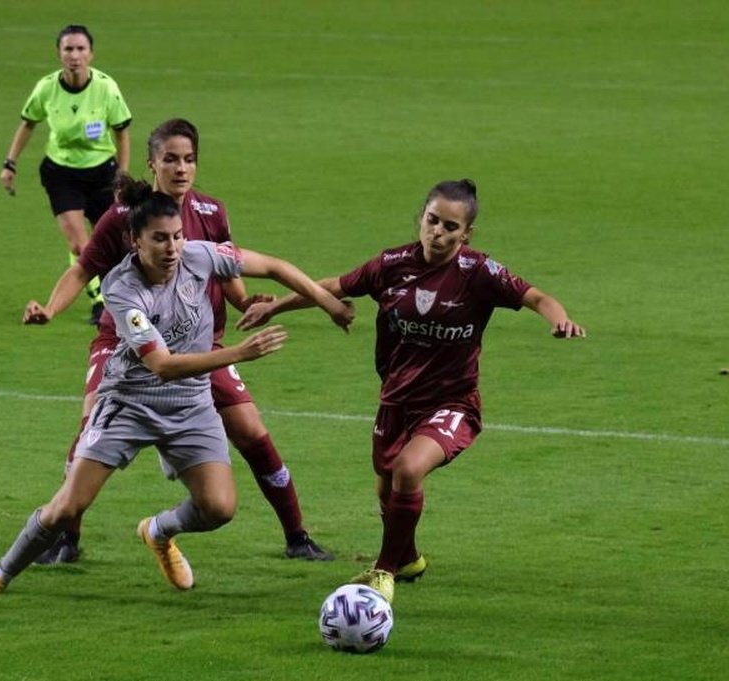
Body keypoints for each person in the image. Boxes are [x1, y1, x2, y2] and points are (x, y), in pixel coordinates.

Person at [0, 182, 353, 599]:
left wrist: (327, 303)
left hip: (191, 406)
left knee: (219, 508)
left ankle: (159, 531)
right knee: (68, 506)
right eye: (160, 238)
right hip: (130, 402)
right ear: (134, 240)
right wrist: (239, 352)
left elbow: (273, 265)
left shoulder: (200, 257)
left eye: (178, 236)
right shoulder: (121, 288)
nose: (173, 248)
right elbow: (162, 366)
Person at [237, 179, 586, 603]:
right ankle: (409, 559)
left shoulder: (479, 273)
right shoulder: (392, 264)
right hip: (396, 401)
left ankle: (382, 572)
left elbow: (536, 296)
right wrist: (275, 306)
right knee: (386, 489)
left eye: (450, 227)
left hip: (452, 403)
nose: (437, 232)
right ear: (421, 218)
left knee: (408, 470)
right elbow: (334, 286)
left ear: (466, 234)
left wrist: (559, 318)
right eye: (432, 220)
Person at [23, 119, 337, 564]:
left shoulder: (211, 212)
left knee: (252, 432)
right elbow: (82, 269)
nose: (181, 168)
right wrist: (51, 310)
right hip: (127, 347)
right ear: (151, 163)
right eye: (170, 159)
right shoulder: (123, 218)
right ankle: (65, 536)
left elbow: (227, 271)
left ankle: (297, 536)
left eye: (189, 159)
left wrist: (247, 300)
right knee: (90, 427)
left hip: (201, 345)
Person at [0, 24, 132, 325]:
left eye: (80, 49)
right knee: (79, 244)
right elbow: (28, 123)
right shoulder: (46, 88)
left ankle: (124, 296)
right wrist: (10, 163)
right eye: (68, 49)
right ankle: (100, 302)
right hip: (62, 173)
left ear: (91, 53)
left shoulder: (106, 87)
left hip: (102, 173)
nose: (74, 55)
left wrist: (122, 177)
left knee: (113, 240)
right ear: (59, 54)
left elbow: (122, 133)